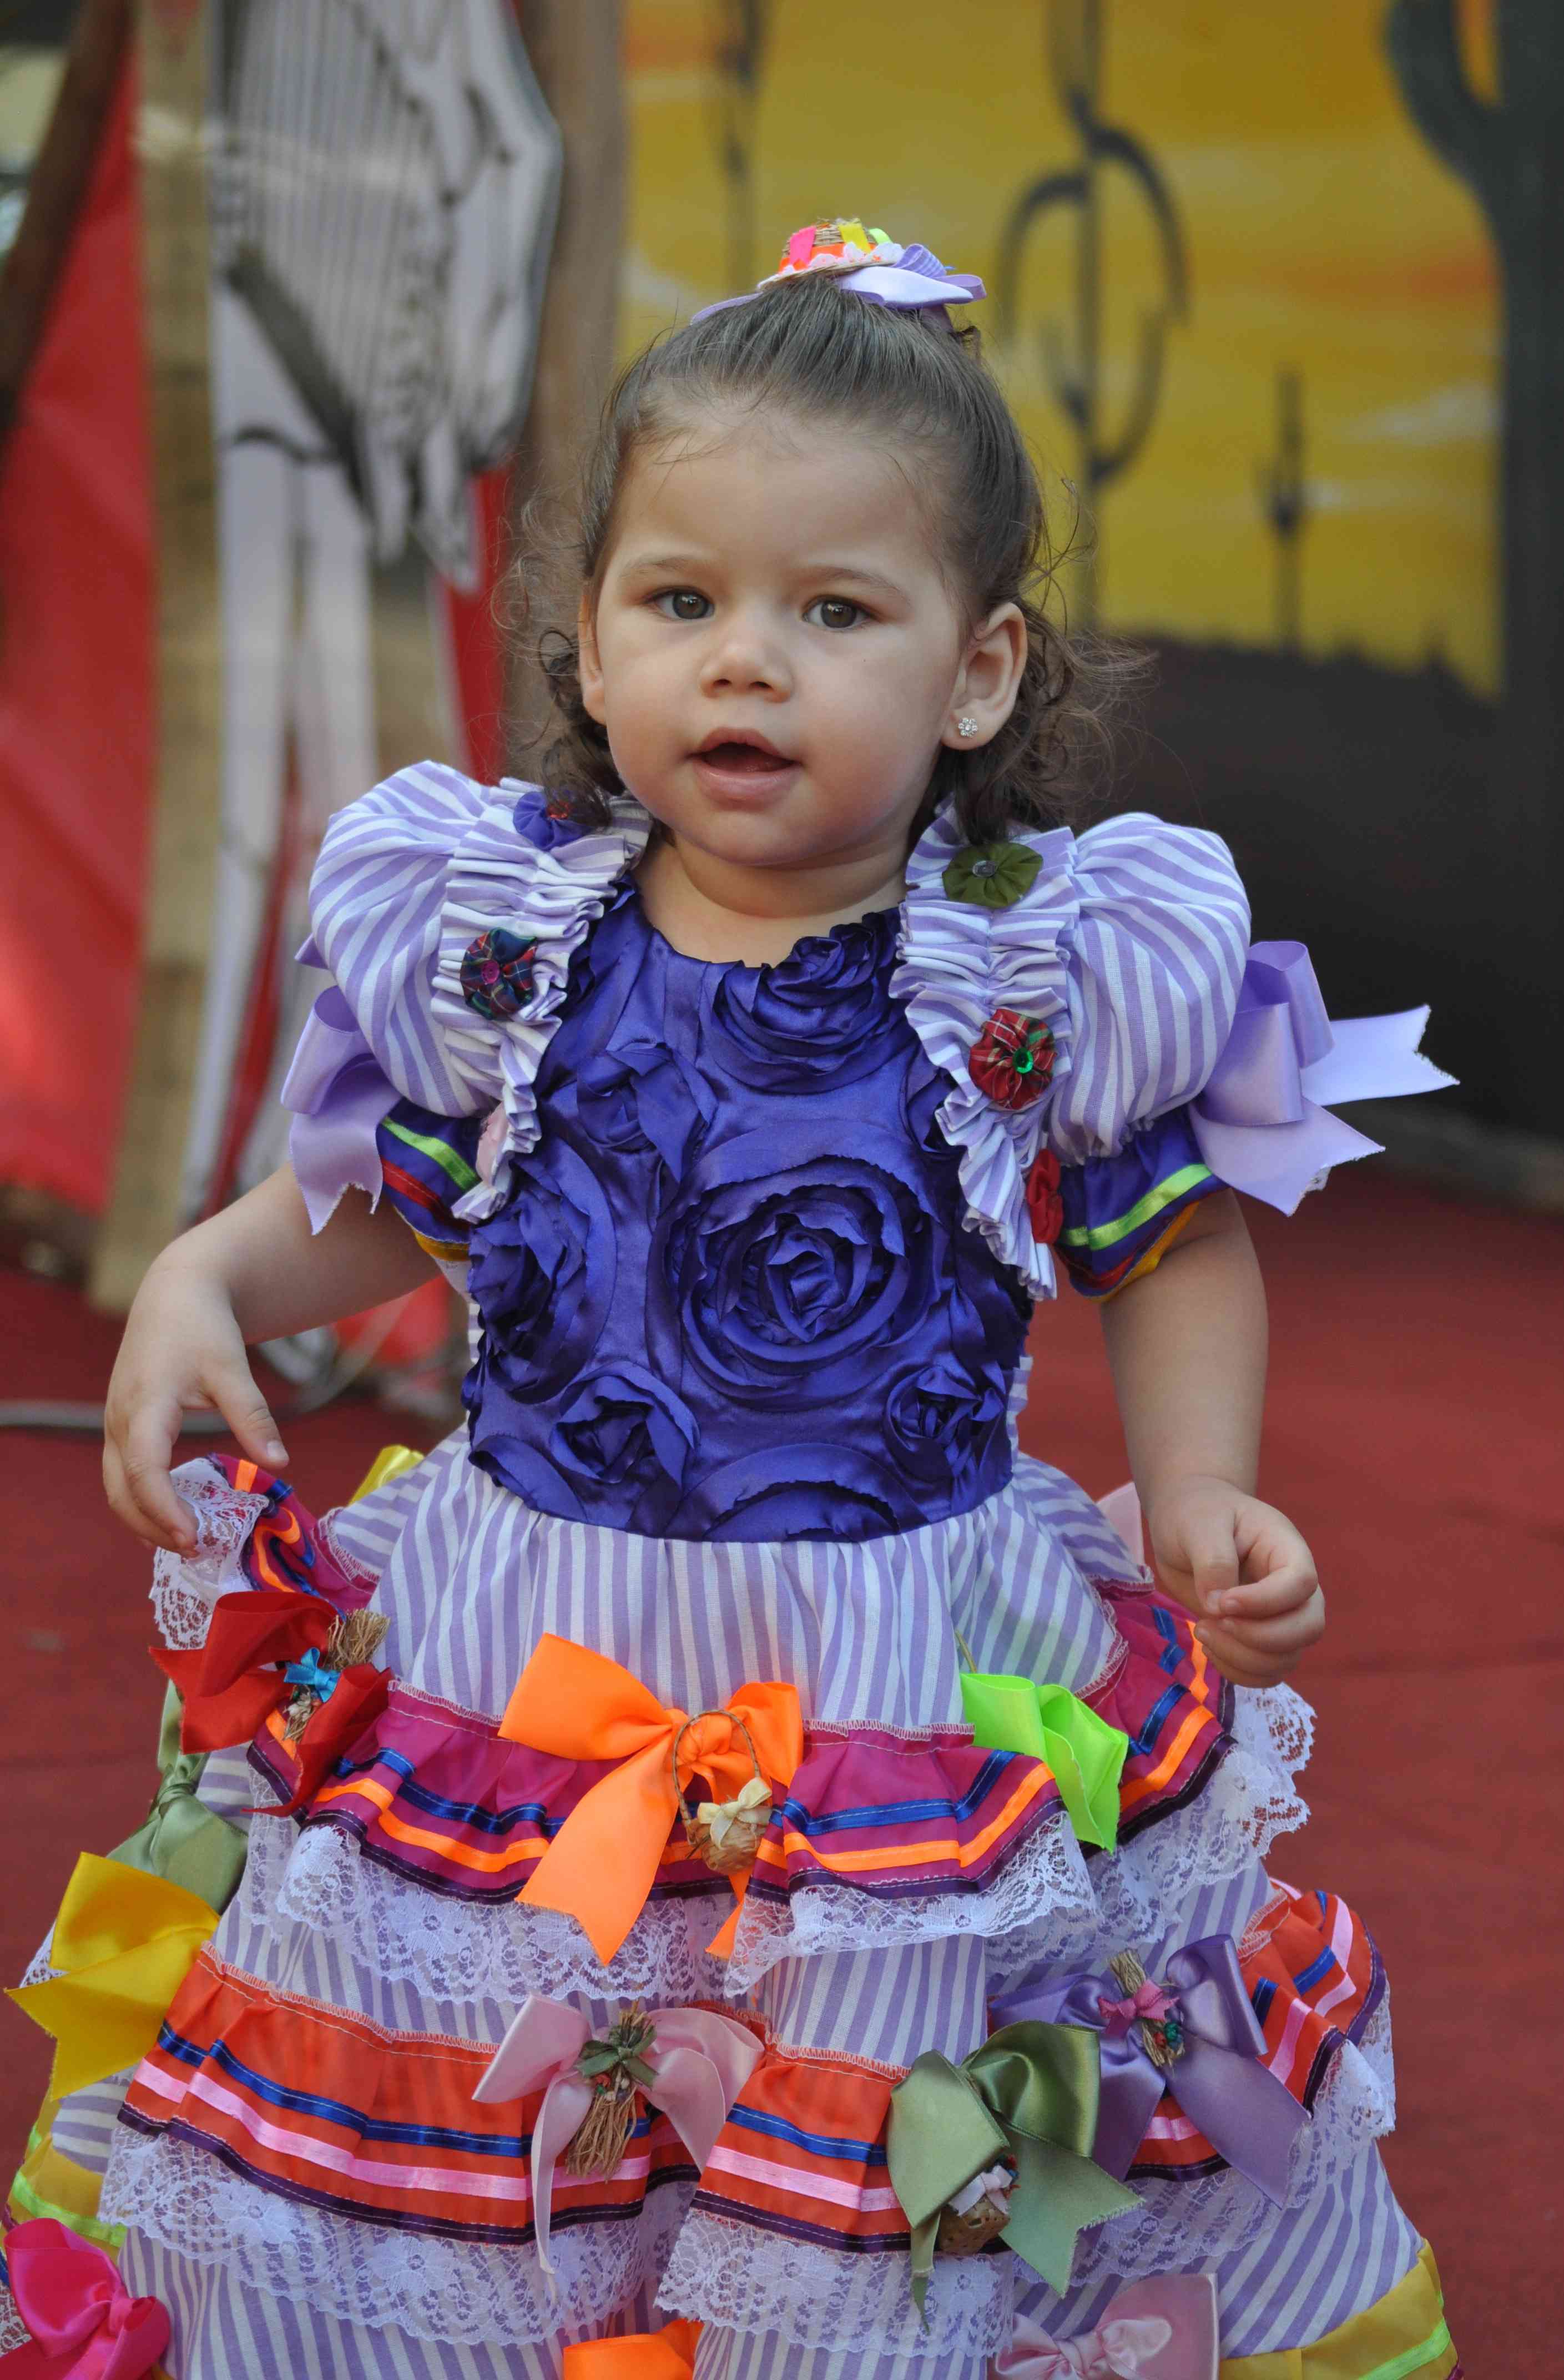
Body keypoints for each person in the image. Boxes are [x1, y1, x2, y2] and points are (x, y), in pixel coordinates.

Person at [22, 223, 1458, 2379]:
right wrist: (206, 1271)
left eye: (833, 613)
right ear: (590, 646)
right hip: (534, 1652)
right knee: (520, 2075)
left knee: (857, 2121)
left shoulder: (1028, 965)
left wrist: (1197, 1490)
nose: (745, 666)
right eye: (680, 602)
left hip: (893, 1665)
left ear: (979, 673)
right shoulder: (512, 936)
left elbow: (1164, 1237)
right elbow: (399, 1196)